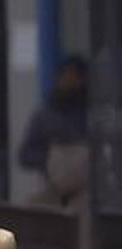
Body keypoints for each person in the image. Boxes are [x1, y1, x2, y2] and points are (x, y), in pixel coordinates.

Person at [19, 56, 89, 206]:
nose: (69, 82)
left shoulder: (93, 114)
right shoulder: (46, 115)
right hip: (53, 191)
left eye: (75, 78)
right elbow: (25, 155)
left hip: (87, 193)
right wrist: (52, 160)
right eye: (66, 77)